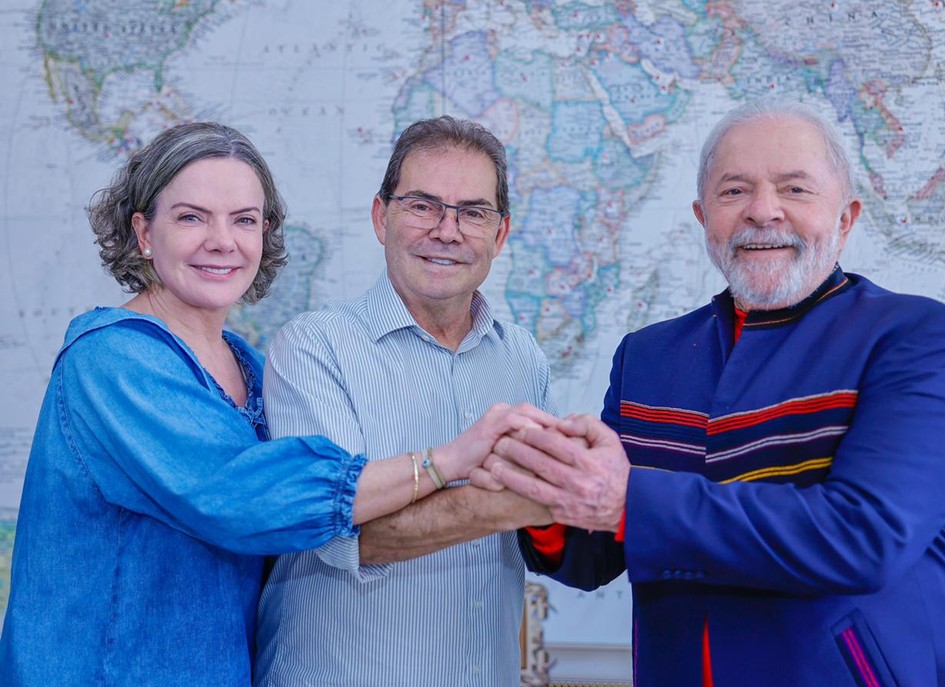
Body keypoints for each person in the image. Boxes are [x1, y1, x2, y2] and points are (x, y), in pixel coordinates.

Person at [0, 122, 547, 686]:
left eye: (244, 220)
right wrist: (447, 463)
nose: (222, 241)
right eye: (191, 218)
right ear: (143, 232)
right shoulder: (112, 360)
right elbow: (245, 498)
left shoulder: (249, 369)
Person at [481, 99, 945, 686]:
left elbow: (865, 536)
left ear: (846, 218)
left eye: (795, 189)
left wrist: (627, 500)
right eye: (734, 191)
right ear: (703, 218)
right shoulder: (648, 357)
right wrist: (541, 489)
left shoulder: (922, 341)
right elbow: (594, 555)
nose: (763, 211)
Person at [254, 116, 554, 686]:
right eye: (422, 206)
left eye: (473, 212)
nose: (447, 231)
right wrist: (523, 500)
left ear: (500, 235)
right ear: (380, 217)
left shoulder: (523, 359)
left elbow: (536, 535)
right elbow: (340, 534)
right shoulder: (314, 347)